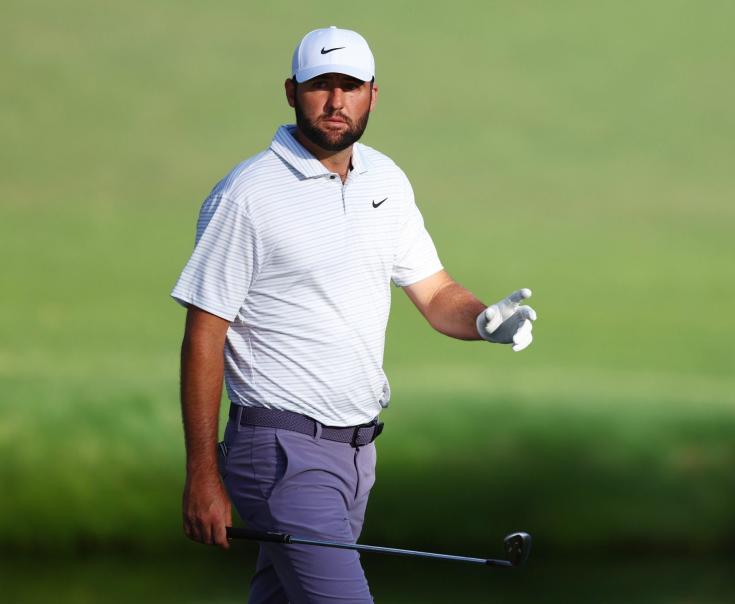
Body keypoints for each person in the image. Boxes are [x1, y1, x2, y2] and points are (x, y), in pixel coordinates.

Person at [171, 26, 537, 603]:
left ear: (373, 94)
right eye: (321, 85)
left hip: (357, 455)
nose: (336, 102)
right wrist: (202, 473)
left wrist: (484, 321)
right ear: (292, 92)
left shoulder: (385, 181)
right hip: (281, 451)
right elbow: (203, 337)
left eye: (350, 86)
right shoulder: (248, 195)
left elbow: (437, 293)